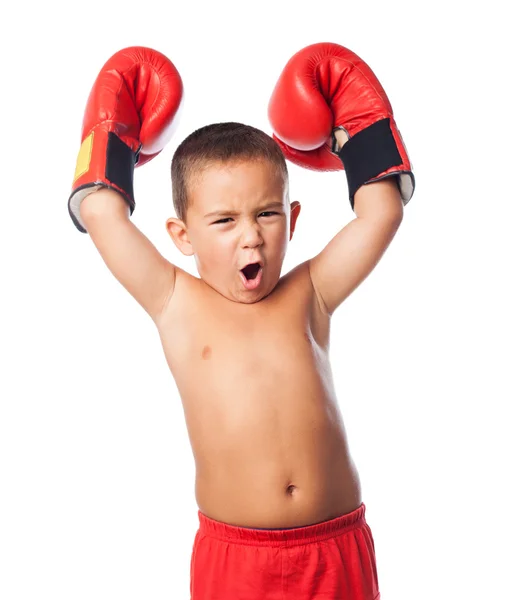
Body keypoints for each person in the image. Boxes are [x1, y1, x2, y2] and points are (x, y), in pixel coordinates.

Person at [68, 42, 414, 600]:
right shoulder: (175, 301)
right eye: (224, 220)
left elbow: (382, 212)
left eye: (267, 213)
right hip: (237, 560)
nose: (251, 235)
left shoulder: (312, 292)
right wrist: (110, 136)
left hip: (335, 547)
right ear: (182, 236)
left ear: (293, 219)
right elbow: (101, 213)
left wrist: (361, 126)